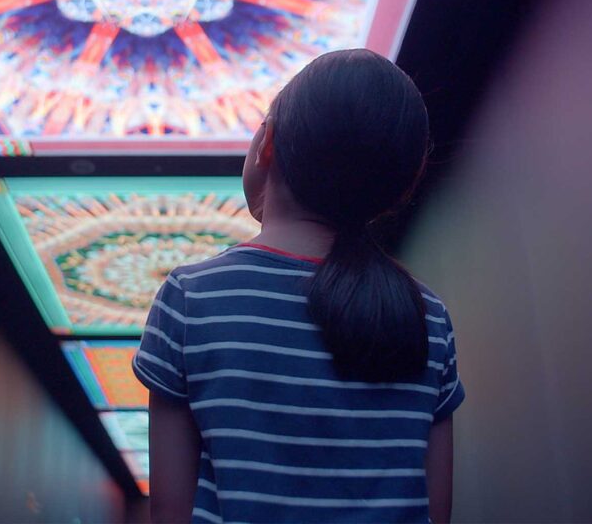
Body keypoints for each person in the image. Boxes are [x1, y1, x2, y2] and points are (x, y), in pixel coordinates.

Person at [132, 48, 464, 524]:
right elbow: (435, 513)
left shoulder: (192, 297)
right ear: (400, 186)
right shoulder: (427, 316)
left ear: (265, 143)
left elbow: (169, 513)